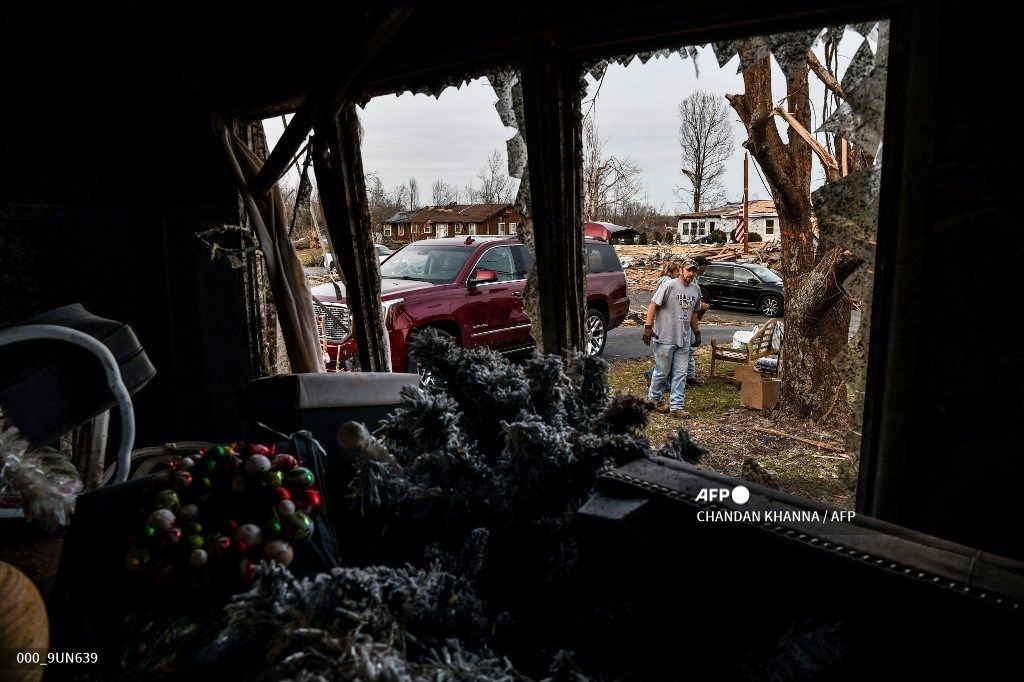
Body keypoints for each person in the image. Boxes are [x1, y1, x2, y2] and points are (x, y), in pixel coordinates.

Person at [642, 259, 702, 418]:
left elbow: (694, 313)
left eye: (693, 271)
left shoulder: (696, 290)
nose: (691, 274)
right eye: (688, 270)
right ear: (681, 269)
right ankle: (654, 400)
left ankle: (676, 407)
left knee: (680, 374)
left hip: (683, 338)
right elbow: (653, 305)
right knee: (662, 372)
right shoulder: (668, 286)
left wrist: (697, 332)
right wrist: (648, 327)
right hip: (665, 337)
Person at [644, 261, 681, 388]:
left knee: (666, 361)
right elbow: (654, 304)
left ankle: (661, 380)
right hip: (665, 325)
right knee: (664, 362)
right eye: (677, 271)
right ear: (672, 272)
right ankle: (653, 379)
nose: (678, 274)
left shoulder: (664, 281)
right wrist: (648, 326)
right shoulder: (667, 283)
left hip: (668, 323)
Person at [687, 256, 712, 386]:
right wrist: (700, 306)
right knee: (686, 350)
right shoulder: (691, 280)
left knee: (690, 349)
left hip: (692, 318)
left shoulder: (696, 280)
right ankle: (653, 374)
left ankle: (689, 376)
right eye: (704, 266)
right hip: (686, 320)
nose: (705, 268)